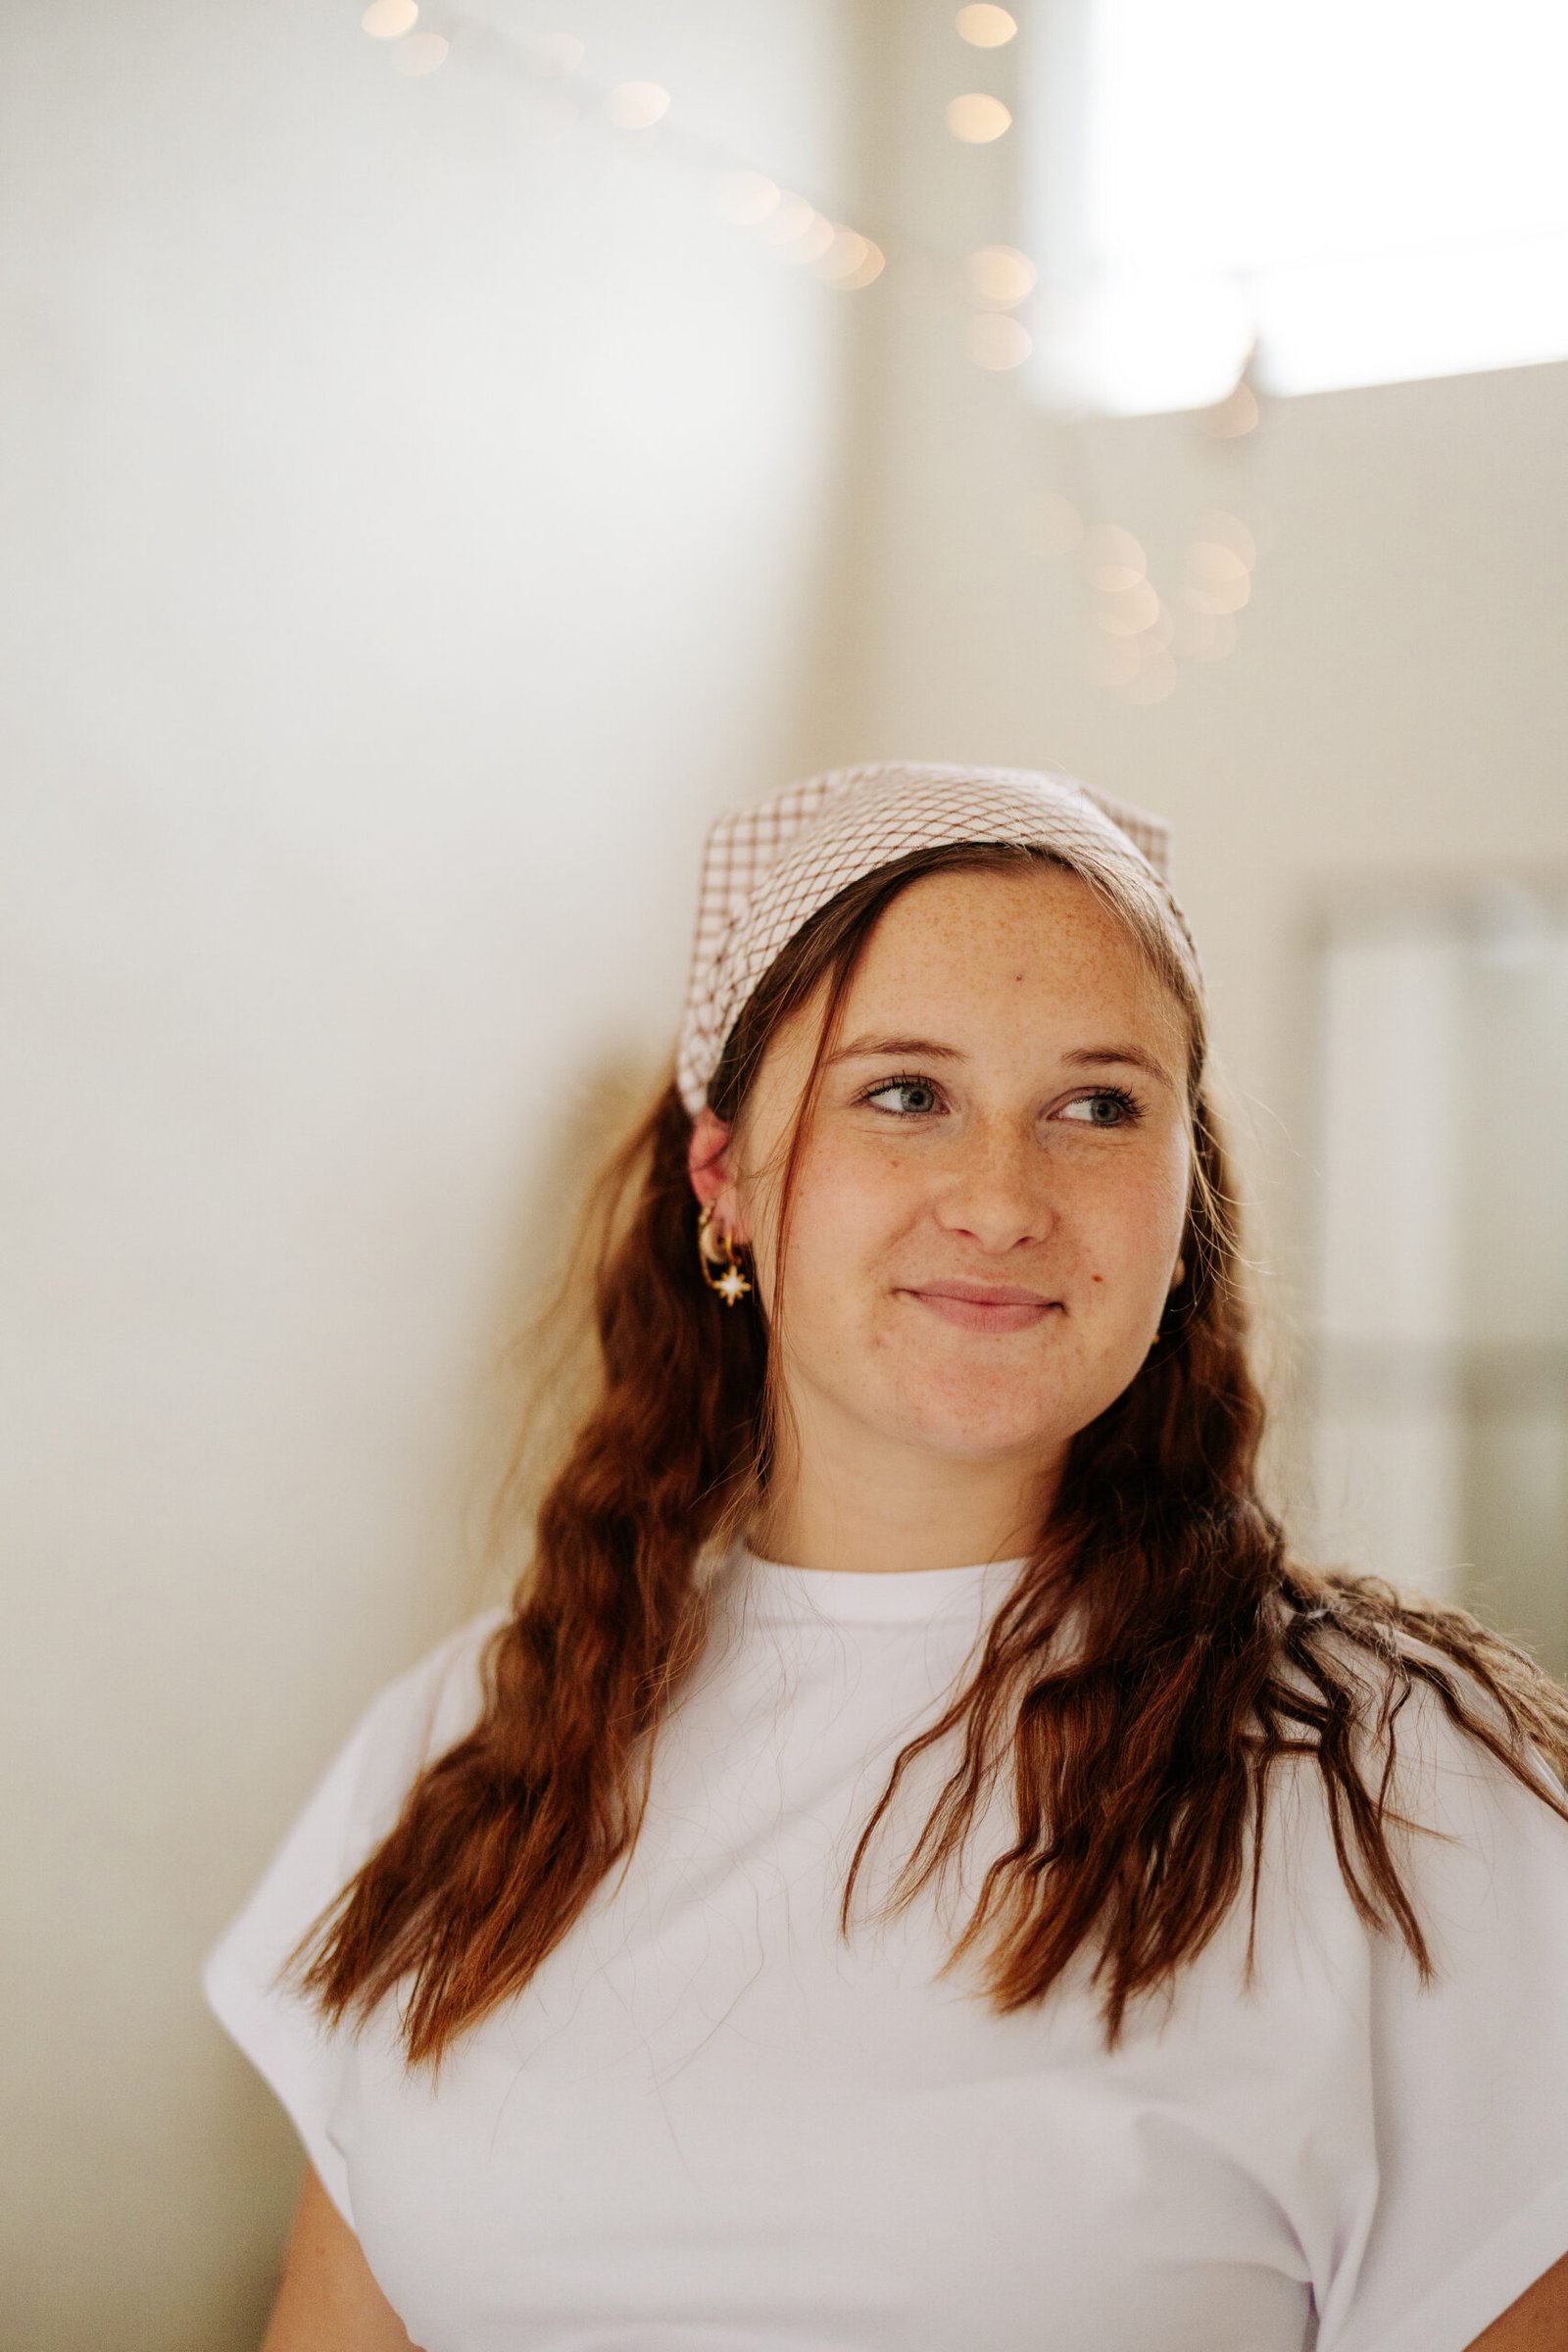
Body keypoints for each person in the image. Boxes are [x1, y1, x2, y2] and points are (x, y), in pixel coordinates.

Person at [204, 760, 1568, 2352]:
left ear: (1184, 1197)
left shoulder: (1404, 1787)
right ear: (725, 1177)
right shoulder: (471, 1744)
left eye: (1099, 1106)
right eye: (906, 1093)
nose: (1000, 1200)